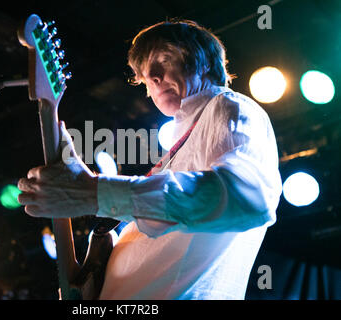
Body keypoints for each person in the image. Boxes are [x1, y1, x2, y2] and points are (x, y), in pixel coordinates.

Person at [17, 19, 282, 300]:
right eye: (143, 73)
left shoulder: (228, 106)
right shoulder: (182, 142)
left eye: (163, 60)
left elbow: (247, 197)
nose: (153, 77)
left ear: (203, 61)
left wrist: (93, 192)